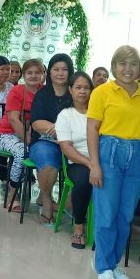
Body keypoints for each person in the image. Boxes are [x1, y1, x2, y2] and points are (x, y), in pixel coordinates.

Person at [87, 46, 140, 279]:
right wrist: (95, 165)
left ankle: (112, 263)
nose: (128, 69)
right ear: (114, 66)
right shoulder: (102, 92)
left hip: (137, 154)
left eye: (133, 64)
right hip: (109, 151)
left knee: (125, 215)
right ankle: (103, 269)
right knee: (106, 213)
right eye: (122, 64)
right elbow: (92, 129)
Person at [29, 53, 74, 224]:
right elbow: (36, 123)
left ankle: (69, 204)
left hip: (72, 142)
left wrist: (65, 134)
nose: (61, 73)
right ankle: (46, 200)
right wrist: (61, 130)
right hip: (44, 141)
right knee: (48, 162)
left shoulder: (75, 93)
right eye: (56, 69)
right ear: (50, 72)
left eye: (64, 69)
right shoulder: (43, 94)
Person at [0, 59, 44, 210]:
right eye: (29, 73)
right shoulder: (16, 91)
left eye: (37, 72)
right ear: (24, 75)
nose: (33, 76)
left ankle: (44, 196)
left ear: (42, 74)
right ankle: (12, 194)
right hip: (6, 135)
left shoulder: (44, 92)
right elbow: (13, 120)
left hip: (33, 134)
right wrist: (28, 141)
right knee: (23, 153)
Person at [56, 71, 94, 249]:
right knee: (84, 181)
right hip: (77, 162)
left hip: (100, 160)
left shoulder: (98, 113)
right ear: (70, 90)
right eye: (78, 87)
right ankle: (79, 226)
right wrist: (89, 163)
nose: (83, 91)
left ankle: (103, 231)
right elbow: (67, 149)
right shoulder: (65, 115)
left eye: (87, 88)